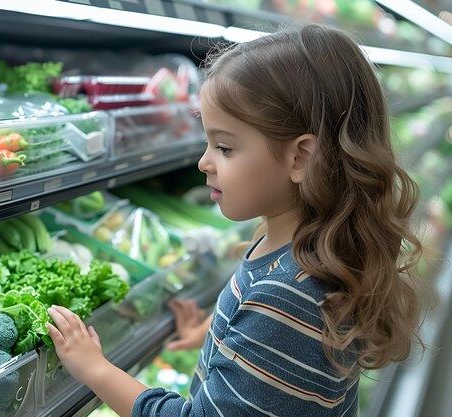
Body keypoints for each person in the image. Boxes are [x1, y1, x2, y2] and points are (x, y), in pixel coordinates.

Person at [46, 23, 424, 417]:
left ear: (301, 158)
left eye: (225, 147)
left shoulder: (286, 300)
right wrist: (221, 338)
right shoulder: (300, 247)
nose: (203, 162)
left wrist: (95, 369)